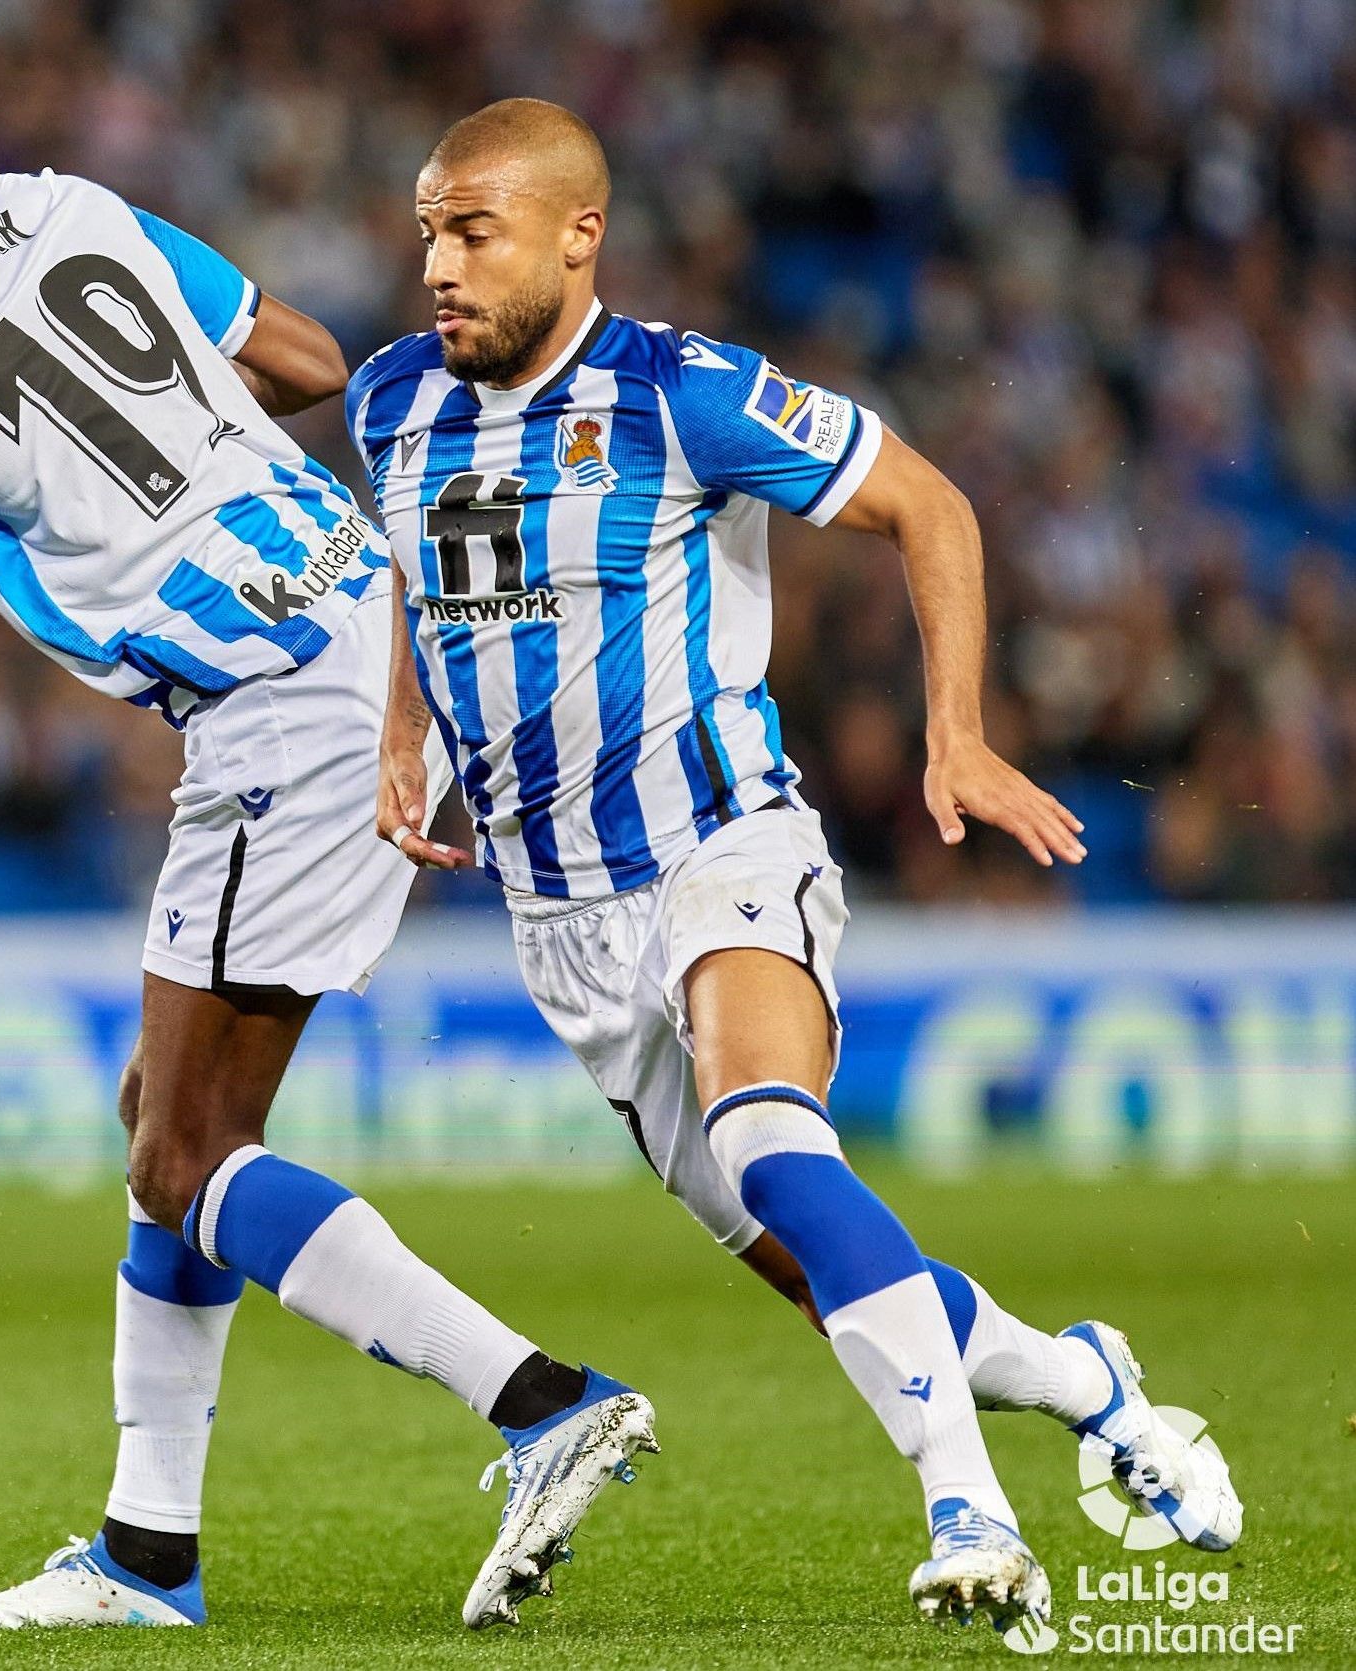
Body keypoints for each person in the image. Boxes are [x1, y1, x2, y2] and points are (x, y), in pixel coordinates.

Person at [0, 24, 650, 1634]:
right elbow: (300, 359)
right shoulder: (66, 206)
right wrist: (186, 482)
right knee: (172, 1120)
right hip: (375, 629)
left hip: (280, 705)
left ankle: (540, 1400)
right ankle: (148, 1553)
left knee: (182, 1149)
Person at [350, 98, 1243, 1637]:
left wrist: (955, 734)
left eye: (472, 229)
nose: (437, 261)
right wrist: (399, 734)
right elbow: (419, 581)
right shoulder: (389, 403)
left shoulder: (680, 391)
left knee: (772, 1139)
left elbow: (928, 503)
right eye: (428, 225)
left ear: (581, 236)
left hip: (721, 843)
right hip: (556, 921)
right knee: (813, 1255)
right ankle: (1086, 1378)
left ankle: (970, 1510)